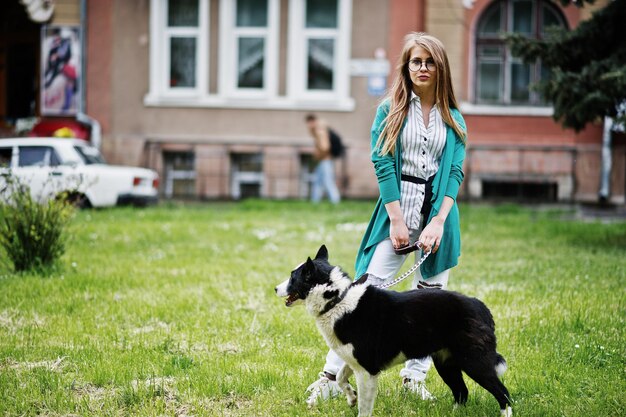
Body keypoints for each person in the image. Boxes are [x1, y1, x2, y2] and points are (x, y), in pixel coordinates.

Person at [305, 32, 467, 406]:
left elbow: (455, 171)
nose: (422, 68)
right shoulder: (389, 110)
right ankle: (330, 376)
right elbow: (381, 162)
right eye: (416, 61)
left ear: (439, 67)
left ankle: (415, 377)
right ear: (406, 67)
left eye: (429, 62)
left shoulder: (453, 117)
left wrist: (438, 222)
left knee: (430, 300)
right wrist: (396, 220)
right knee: (363, 294)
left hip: (437, 216)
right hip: (397, 210)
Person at [305, 114, 341, 204]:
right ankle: (315, 201)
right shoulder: (320, 130)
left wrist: (318, 153)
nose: (308, 126)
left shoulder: (320, 131)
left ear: (312, 122)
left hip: (325, 160)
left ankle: (335, 200)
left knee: (328, 181)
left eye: (308, 123)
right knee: (318, 180)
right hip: (323, 160)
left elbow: (325, 147)